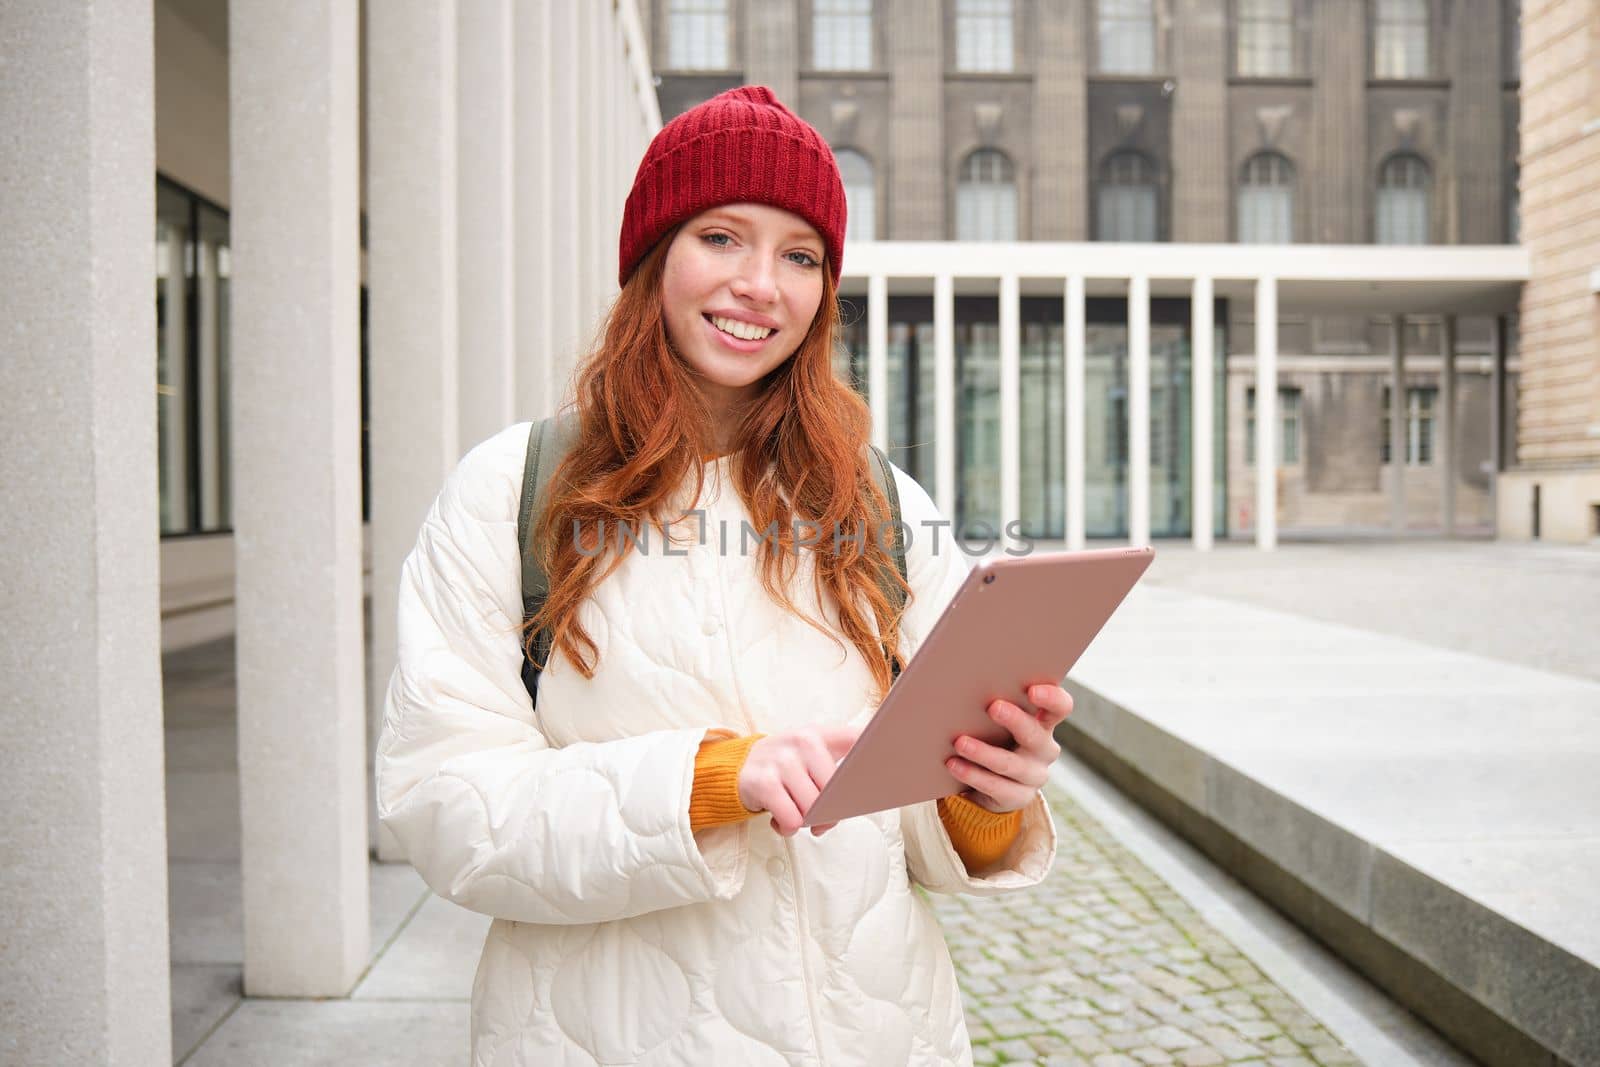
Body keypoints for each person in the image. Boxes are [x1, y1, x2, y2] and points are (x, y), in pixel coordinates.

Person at [375, 85, 1069, 1067]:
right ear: (653, 256)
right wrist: (708, 778)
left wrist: (985, 794)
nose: (761, 284)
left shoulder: (880, 501)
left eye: (799, 255)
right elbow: (444, 808)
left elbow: (922, 832)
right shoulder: (511, 491)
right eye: (721, 236)